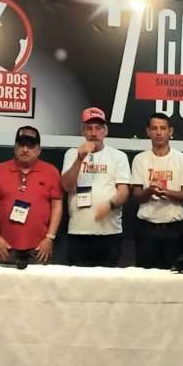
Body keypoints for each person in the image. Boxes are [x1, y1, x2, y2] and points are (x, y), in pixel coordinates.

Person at [60, 107, 130, 267]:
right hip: (78, 231)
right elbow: (67, 186)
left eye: (98, 128)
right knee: (78, 280)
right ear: (82, 131)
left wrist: (109, 205)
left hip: (109, 232)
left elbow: (124, 192)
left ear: (105, 131)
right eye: (89, 128)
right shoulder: (72, 154)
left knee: (108, 280)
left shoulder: (118, 156)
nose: (93, 133)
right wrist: (80, 158)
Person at [0, 126, 63, 265]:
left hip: (40, 247)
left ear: (39, 150)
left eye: (30, 146)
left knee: (39, 280)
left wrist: (50, 238)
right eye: (21, 145)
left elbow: (57, 206)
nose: (25, 150)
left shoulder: (51, 171)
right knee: (5, 279)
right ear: (15, 147)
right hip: (6, 246)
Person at [130, 112, 183, 269]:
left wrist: (166, 192)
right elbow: (136, 196)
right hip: (147, 229)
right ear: (148, 132)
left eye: (163, 128)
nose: (158, 132)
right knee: (144, 276)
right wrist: (149, 191)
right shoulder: (140, 159)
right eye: (154, 128)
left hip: (174, 229)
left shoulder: (182, 159)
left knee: (173, 276)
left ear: (170, 131)